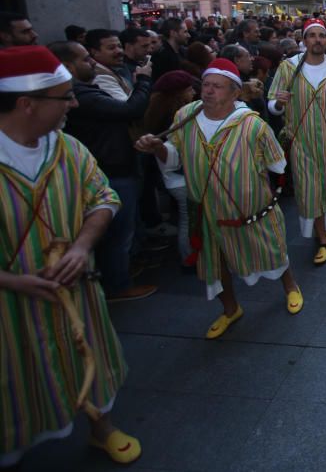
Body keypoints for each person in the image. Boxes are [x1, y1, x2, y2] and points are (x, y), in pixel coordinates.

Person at [0, 46, 141, 466]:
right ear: (27, 104)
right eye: (65, 96)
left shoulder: (66, 147)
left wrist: (81, 246)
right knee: (17, 382)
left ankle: (102, 428)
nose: (74, 104)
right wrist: (13, 282)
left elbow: (103, 196)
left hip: (77, 294)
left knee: (91, 359)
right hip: (10, 313)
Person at [135, 59, 303, 338]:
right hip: (206, 209)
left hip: (250, 209)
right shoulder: (185, 116)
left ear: (235, 92)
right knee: (215, 262)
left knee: (272, 250)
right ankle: (230, 309)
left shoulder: (253, 124)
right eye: (207, 84)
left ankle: (291, 287)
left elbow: (277, 164)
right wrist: (157, 150)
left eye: (218, 86)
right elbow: (174, 156)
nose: (209, 90)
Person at [54, 40, 157, 302]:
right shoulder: (86, 95)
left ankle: (120, 273)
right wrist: (144, 81)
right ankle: (117, 285)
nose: (92, 63)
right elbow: (129, 109)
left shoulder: (87, 89)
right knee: (118, 233)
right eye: (87, 59)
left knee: (123, 230)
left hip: (117, 162)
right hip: (112, 166)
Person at [268, 21, 326, 263]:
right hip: (301, 144)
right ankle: (321, 237)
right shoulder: (288, 68)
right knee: (309, 191)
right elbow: (273, 106)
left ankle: (324, 232)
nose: (317, 40)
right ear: (304, 40)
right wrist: (279, 103)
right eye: (312, 36)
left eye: (321, 36)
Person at [142, 70, 198, 265]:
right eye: (190, 89)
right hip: (181, 177)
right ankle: (189, 259)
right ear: (179, 93)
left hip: (176, 177)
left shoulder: (158, 111)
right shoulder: (176, 118)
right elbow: (174, 154)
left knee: (189, 219)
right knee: (189, 220)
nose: (194, 93)